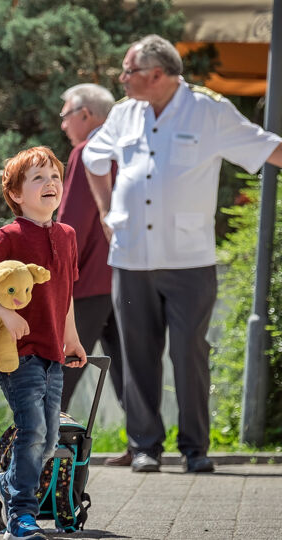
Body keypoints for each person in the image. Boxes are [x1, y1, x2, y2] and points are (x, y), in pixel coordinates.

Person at [82, 34, 282, 474]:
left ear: (156, 74)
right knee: (136, 353)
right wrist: (104, 210)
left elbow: (268, 147)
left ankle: (195, 448)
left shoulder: (208, 111)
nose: (121, 78)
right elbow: (93, 159)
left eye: (128, 71)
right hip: (131, 256)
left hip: (189, 260)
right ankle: (145, 447)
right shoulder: (122, 113)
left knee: (189, 352)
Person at [0, 146, 86, 540]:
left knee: (49, 438)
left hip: (53, 352)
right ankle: (20, 516)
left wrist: (73, 340)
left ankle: (4, 485)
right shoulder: (10, 235)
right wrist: (5, 315)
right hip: (18, 355)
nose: (51, 183)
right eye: (38, 178)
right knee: (32, 430)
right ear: (16, 193)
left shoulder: (67, 236)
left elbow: (64, 296)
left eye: (54, 176)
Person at [55, 83, 129, 466]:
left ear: (87, 115)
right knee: (127, 360)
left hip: (88, 278)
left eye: (66, 115)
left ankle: (50, 435)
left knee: (67, 358)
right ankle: (143, 442)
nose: (64, 125)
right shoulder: (124, 145)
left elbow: (72, 222)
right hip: (124, 272)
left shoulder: (88, 151)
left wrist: (59, 271)